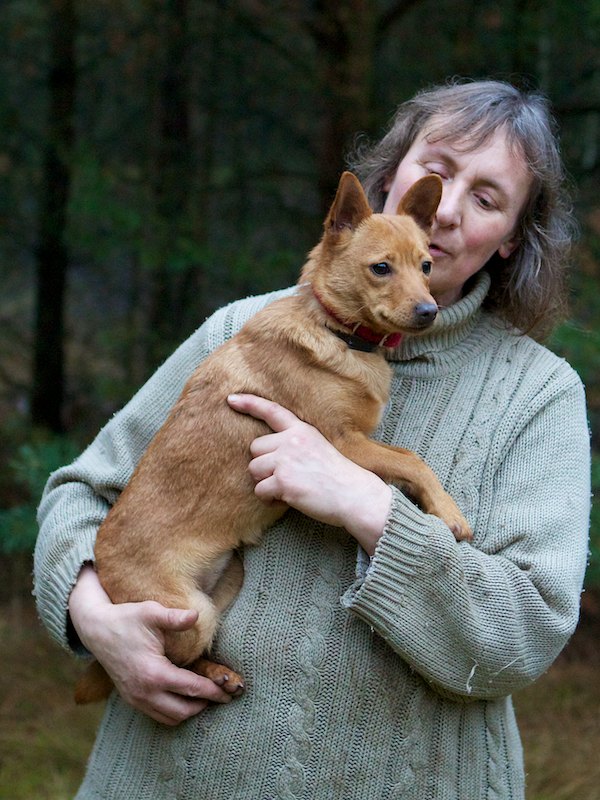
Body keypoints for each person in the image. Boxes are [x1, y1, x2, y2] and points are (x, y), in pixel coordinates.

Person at [34, 79, 590, 799]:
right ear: (391, 177)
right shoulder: (242, 332)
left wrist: (372, 509)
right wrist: (93, 619)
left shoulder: (539, 396)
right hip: (165, 778)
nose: (449, 211)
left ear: (512, 237)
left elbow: (526, 633)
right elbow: (81, 494)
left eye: (487, 200)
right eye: (437, 172)